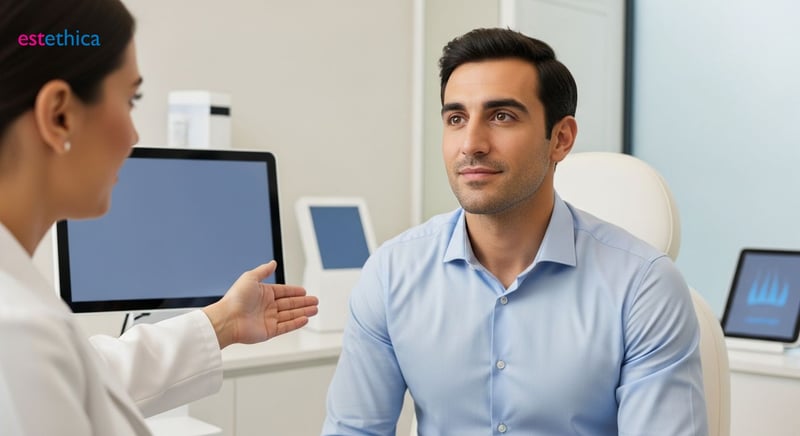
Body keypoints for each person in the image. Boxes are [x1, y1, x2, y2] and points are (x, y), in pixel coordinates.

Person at [322, 27, 707, 435]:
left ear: (560, 139)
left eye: (501, 116)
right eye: (456, 118)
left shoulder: (644, 286)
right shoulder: (391, 273)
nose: (471, 144)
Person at [0, 0, 318, 434]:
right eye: (131, 100)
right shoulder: (16, 331)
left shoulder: (23, 320)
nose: (134, 135)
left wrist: (223, 320)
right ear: (59, 115)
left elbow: (87, 374)